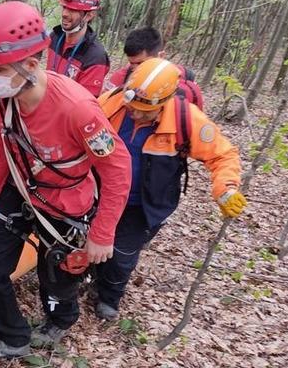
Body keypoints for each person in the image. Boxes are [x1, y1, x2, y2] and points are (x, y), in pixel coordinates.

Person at [0, 1, 131, 361]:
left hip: (66, 199)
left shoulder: (77, 108)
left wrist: (103, 233)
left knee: (58, 275)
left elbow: (117, 167)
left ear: (29, 65)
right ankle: (13, 335)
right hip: (21, 188)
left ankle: (60, 318)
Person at [94, 57, 245, 320]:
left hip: (145, 203)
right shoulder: (113, 103)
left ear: (164, 102)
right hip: (102, 192)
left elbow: (223, 155)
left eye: (144, 111)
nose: (136, 115)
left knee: (122, 254)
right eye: (133, 107)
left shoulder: (187, 120)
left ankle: (109, 297)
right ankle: (92, 276)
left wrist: (225, 188)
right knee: (94, 240)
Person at [104, 26, 204, 109]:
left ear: (161, 56)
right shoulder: (121, 77)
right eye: (131, 63)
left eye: (141, 63)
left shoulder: (183, 86)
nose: (135, 69)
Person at [46, 0, 109, 96]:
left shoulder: (95, 57)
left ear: (89, 16)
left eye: (72, 10)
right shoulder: (55, 37)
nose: (64, 13)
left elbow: (85, 106)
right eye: (64, 7)